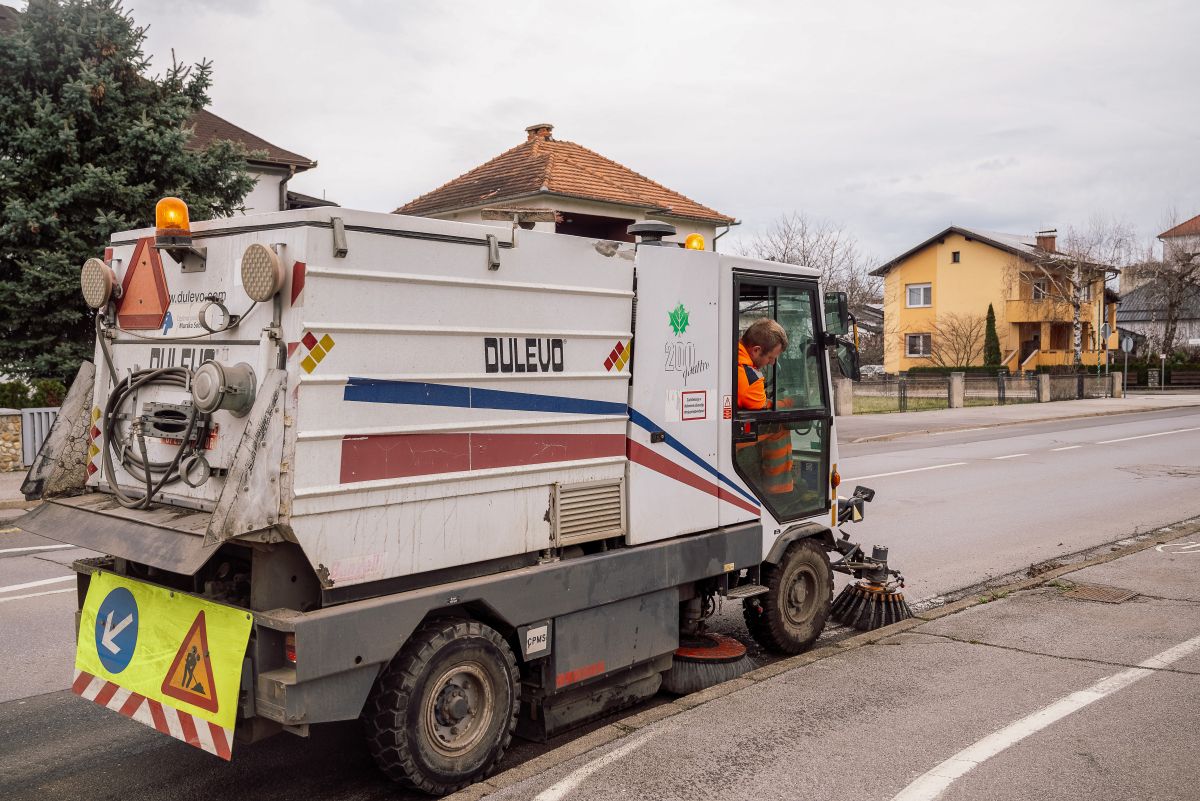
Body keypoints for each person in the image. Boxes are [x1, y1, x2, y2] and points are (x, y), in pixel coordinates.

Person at [736, 319, 794, 497]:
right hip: (728, 436)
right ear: (756, 350)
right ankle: (780, 491)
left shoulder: (733, 351)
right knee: (779, 426)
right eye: (770, 358)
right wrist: (788, 404)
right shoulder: (749, 376)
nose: (772, 363)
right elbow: (764, 408)